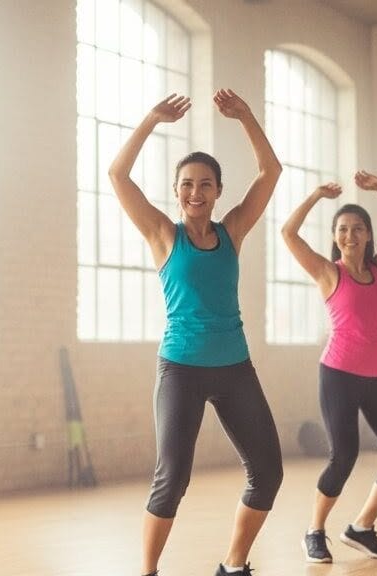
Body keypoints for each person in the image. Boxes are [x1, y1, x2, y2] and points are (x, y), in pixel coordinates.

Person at [108, 91, 283, 576]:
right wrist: (150, 118)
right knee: (172, 480)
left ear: (219, 191)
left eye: (205, 184)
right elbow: (118, 176)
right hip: (181, 368)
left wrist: (246, 115)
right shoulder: (163, 234)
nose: (196, 193)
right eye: (186, 184)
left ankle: (233, 563)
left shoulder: (233, 232)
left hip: (234, 368)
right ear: (177, 191)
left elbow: (271, 173)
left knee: (268, 471)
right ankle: (147, 571)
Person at [280, 172, 377, 563]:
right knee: (344, 455)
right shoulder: (330, 273)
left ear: (368, 235)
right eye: (342, 229)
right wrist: (314, 196)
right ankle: (314, 531)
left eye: (358, 228)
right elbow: (289, 234)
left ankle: (361, 527)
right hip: (338, 375)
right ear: (335, 236)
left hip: (376, 379)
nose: (350, 235)